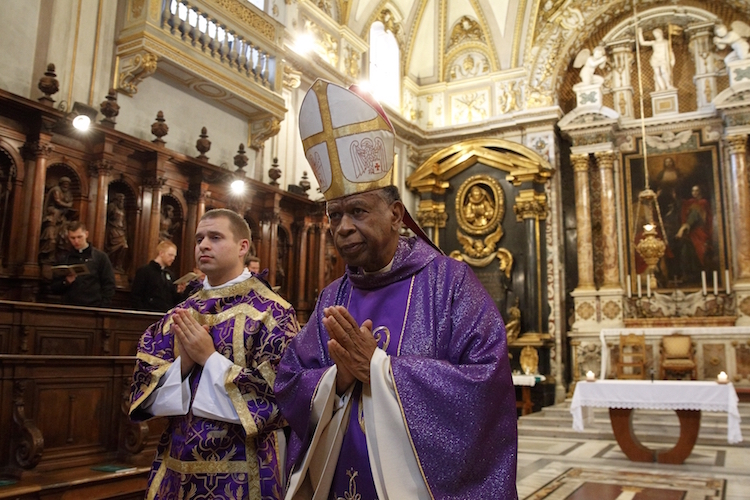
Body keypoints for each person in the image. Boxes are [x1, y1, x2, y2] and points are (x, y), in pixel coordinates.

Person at [275, 79, 518, 500]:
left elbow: (487, 382)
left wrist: (381, 369)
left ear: (395, 215)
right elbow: (291, 380)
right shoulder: (333, 295)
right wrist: (337, 377)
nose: (343, 227)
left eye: (357, 211)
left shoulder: (448, 283)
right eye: (334, 216)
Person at [128, 208, 300, 499]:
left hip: (244, 471)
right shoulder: (178, 315)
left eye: (215, 237)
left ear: (243, 247)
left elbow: (282, 398)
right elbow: (144, 392)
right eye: (199, 239)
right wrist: (184, 363)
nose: (203, 245)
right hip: (175, 467)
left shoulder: (273, 314)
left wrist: (209, 359)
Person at [50, 221, 116, 307]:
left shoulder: (100, 257)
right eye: (72, 238)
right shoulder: (64, 258)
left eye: (79, 237)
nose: (76, 241)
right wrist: (66, 282)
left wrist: (103, 305)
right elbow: (54, 287)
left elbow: (109, 284)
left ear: (86, 234)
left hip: (94, 307)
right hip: (70, 306)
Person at [130, 240, 185, 312]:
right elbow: (136, 296)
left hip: (165, 315)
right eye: (170, 255)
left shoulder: (170, 275)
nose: (173, 258)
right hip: (148, 314)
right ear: (161, 253)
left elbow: (172, 300)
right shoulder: (145, 271)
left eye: (174, 256)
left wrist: (179, 292)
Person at [675, 184, 713, 283]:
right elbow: (683, 206)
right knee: (686, 253)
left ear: (701, 192)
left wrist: (682, 229)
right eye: (693, 191)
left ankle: (698, 276)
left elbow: (693, 217)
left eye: (697, 190)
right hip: (691, 234)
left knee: (698, 254)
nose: (694, 193)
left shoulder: (702, 203)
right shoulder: (691, 203)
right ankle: (687, 275)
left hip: (699, 233)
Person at [104, 192, 128, 271]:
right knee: (112, 249)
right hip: (113, 229)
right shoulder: (112, 206)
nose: (122, 201)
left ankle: (118, 265)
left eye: (123, 200)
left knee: (124, 247)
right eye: (120, 199)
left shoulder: (122, 210)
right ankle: (109, 264)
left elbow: (123, 221)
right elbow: (105, 216)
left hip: (120, 230)